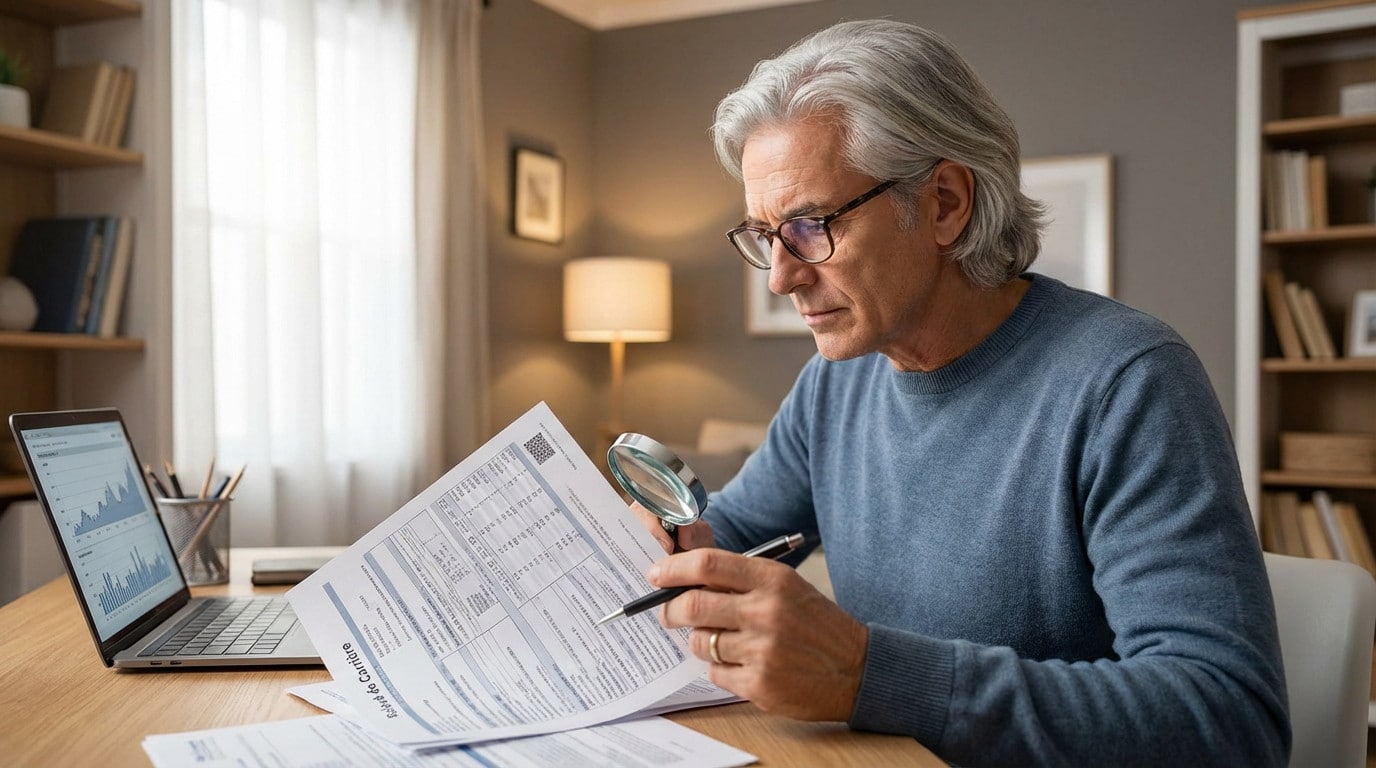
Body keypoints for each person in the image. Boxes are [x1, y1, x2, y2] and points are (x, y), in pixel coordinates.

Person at [631, 18, 1290, 767]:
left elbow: (1231, 721)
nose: (781, 276)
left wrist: (866, 673)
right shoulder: (835, 382)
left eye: (811, 227)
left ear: (945, 203)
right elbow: (732, 532)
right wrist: (666, 547)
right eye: (765, 234)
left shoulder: (1127, 381)